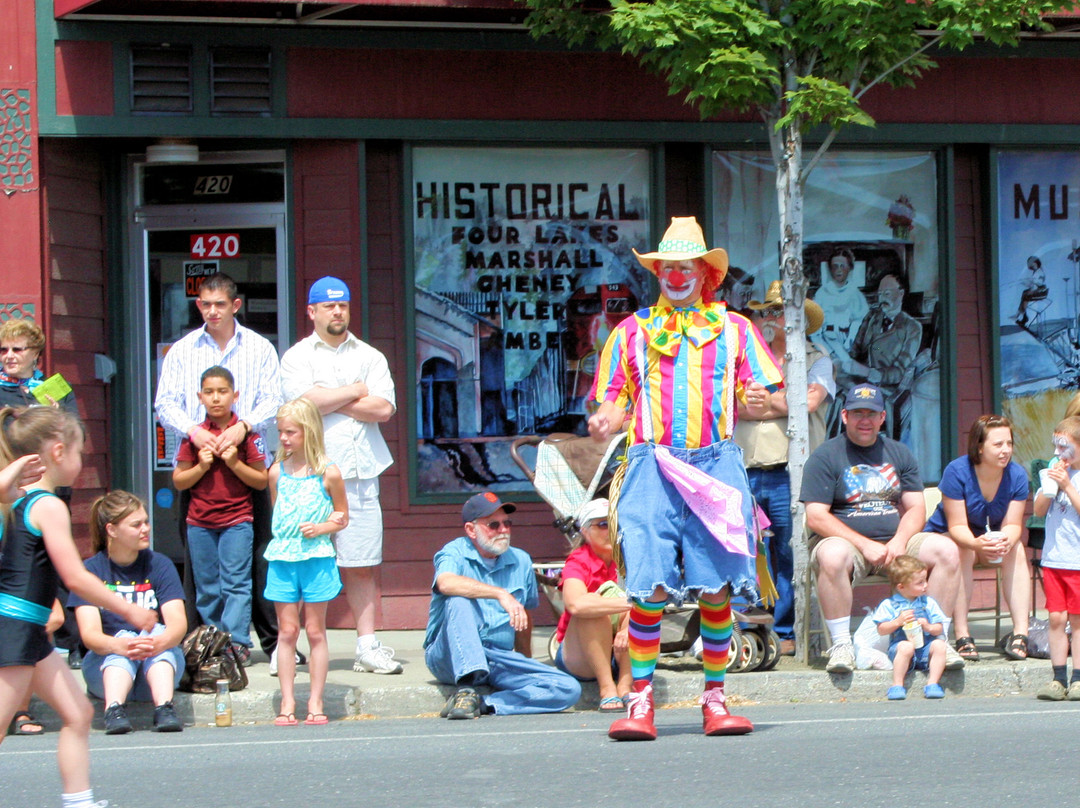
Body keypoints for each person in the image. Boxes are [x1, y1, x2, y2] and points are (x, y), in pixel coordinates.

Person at [588, 216, 783, 741]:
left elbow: (758, 390)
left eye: (685, 267)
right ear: (658, 274)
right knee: (648, 590)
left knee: (717, 591)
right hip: (651, 464)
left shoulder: (735, 329)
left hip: (716, 463)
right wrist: (607, 416)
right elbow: (613, 397)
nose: (676, 276)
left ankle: (715, 701)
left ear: (703, 272)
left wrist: (758, 400)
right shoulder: (631, 331)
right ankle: (641, 704)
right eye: (667, 268)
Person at [0, 407, 156, 808]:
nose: (81, 460)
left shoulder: (15, 499)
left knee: (78, 714)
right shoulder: (45, 505)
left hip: (30, 630)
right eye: (79, 452)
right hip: (15, 629)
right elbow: (75, 577)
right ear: (57, 452)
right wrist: (130, 609)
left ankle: (79, 802)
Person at [154, 272, 284, 662]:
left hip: (246, 458)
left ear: (235, 305)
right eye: (205, 305)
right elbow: (165, 403)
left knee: (254, 558)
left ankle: (259, 642)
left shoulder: (259, 348)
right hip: (198, 459)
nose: (212, 311)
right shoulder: (183, 349)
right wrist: (193, 431)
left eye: (219, 304)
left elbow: (273, 399)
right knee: (204, 567)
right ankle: (206, 642)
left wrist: (242, 427)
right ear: (198, 306)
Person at [280, 276, 400, 675]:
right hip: (309, 475)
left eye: (343, 305)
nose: (337, 312)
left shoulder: (370, 355)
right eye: (329, 306)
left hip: (362, 472)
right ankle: (292, 646)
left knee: (361, 562)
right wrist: (354, 391)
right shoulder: (297, 357)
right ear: (311, 312)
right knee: (301, 558)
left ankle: (366, 646)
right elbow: (302, 402)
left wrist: (329, 400)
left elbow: (383, 409)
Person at [801, 382, 963, 675]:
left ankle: (936, 641)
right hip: (850, 545)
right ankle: (841, 646)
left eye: (872, 414)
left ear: (882, 418)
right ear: (845, 416)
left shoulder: (899, 453)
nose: (865, 420)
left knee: (947, 550)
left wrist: (900, 540)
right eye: (858, 413)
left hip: (896, 544)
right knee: (832, 555)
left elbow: (916, 508)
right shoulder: (825, 456)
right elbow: (816, 516)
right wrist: (864, 544)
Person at [735, 279, 835, 655]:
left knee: (787, 554)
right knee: (746, 551)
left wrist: (769, 402)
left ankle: (785, 632)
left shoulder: (816, 359)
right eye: (767, 312)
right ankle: (748, 629)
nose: (771, 318)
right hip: (744, 468)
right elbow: (733, 407)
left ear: (797, 319)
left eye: (779, 311)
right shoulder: (745, 360)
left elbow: (809, 402)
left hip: (788, 473)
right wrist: (781, 403)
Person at [424, 492, 581, 719]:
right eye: (493, 525)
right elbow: (445, 582)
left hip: (499, 657)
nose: (503, 530)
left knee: (567, 688)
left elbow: (523, 617)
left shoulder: (521, 560)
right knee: (457, 600)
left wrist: (525, 661)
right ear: (471, 530)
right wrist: (500, 594)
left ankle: (484, 703)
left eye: (507, 523)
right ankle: (467, 688)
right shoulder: (454, 552)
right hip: (448, 656)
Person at [0, 318, 83, 670]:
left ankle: (68, 639)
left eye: (17, 349)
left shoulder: (54, 386)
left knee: (56, 560)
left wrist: (53, 410)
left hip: (49, 486)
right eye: (3, 350)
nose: (9, 356)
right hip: (11, 488)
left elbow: (73, 428)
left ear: (36, 352)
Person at [172, 366, 268, 665]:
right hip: (199, 522)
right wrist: (201, 466)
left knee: (236, 584)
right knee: (207, 587)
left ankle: (238, 643)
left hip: (237, 521)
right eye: (209, 392)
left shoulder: (245, 436)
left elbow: (261, 480)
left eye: (222, 391)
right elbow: (179, 480)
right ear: (200, 397)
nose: (216, 398)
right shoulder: (195, 437)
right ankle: (214, 640)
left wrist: (233, 463)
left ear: (235, 395)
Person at [69, 491, 187, 734]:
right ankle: (113, 710)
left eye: (146, 522)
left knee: (157, 630)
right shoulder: (90, 571)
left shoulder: (160, 564)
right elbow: (90, 635)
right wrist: (121, 646)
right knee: (123, 636)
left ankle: (165, 708)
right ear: (111, 530)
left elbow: (178, 624)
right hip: (106, 671)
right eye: (136, 524)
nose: (146, 528)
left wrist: (157, 642)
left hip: (155, 672)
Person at [265, 398, 347, 727]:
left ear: (308, 432)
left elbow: (342, 517)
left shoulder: (329, 473)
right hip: (283, 557)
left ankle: (315, 699)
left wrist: (322, 527)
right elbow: (278, 514)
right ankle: (287, 700)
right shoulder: (277, 472)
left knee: (315, 630)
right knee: (287, 631)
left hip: (317, 557)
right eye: (281, 432)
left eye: (290, 432)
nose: (284, 438)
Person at [924, 414, 1031, 662]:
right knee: (963, 550)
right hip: (950, 536)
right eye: (998, 444)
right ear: (980, 446)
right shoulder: (958, 471)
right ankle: (962, 633)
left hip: (989, 536)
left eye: (1009, 443)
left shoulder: (1016, 475)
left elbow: (1014, 524)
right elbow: (958, 525)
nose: (1006, 450)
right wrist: (976, 544)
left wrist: (1003, 540)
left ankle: (1020, 633)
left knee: (1016, 549)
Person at [552, 498, 631, 711]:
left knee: (640, 614)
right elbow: (575, 605)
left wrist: (630, 625)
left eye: (614, 524)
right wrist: (632, 605)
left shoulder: (629, 557)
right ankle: (607, 687)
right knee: (592, 608)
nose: (610, 530)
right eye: (602, 524)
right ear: (585, 532)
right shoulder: (578, 561)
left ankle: (626, 684)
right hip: (581, 656)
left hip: (621, 652)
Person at [1032, 416, 1080, 700]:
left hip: (1077, 562)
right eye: (1055, 446)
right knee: (1055, 618)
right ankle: (1057, 677)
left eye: (1065, 447)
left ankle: (1078, 678)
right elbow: (1038, 510)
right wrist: (1049, 488)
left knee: (1078, 620)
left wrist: (1069, 486)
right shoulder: (1053, 473)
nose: (1058, 454)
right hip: (1054, 559)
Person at [872, 555, 948, 701]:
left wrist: (928, 626)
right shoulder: (890, 604)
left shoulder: (928, 602)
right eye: (920, 583)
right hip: (902, 650)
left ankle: (933, 683)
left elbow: (939, 628)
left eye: (925, 580)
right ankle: (897, 685)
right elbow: (881, 629)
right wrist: (898, 622)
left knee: (939, 645)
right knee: (906, 647)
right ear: (901, 587)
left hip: (924, 648)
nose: (925, 585)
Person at [813, 248, 868, 354]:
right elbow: (815, 325)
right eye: (835, 266)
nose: (838, 270)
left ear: (849, 268)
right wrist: (825, 350)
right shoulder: (821, 293)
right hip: (826, 340)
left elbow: (860, 322)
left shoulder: (855, 294)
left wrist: (849, 344)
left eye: (842, 266)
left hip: (848, 342)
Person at [1014, 255, 1049, 328]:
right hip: (1037, 290)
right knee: (1024, 293)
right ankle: (1023, 316)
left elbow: (1040, 283)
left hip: (1041, 291)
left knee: (1026, 295)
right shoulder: (1035, 272)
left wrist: (1033, 281)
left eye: (1030, 263)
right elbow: (1032, 285)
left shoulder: (1040, 272)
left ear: (1035, 263)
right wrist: (1024, 282)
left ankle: (1023, 317)